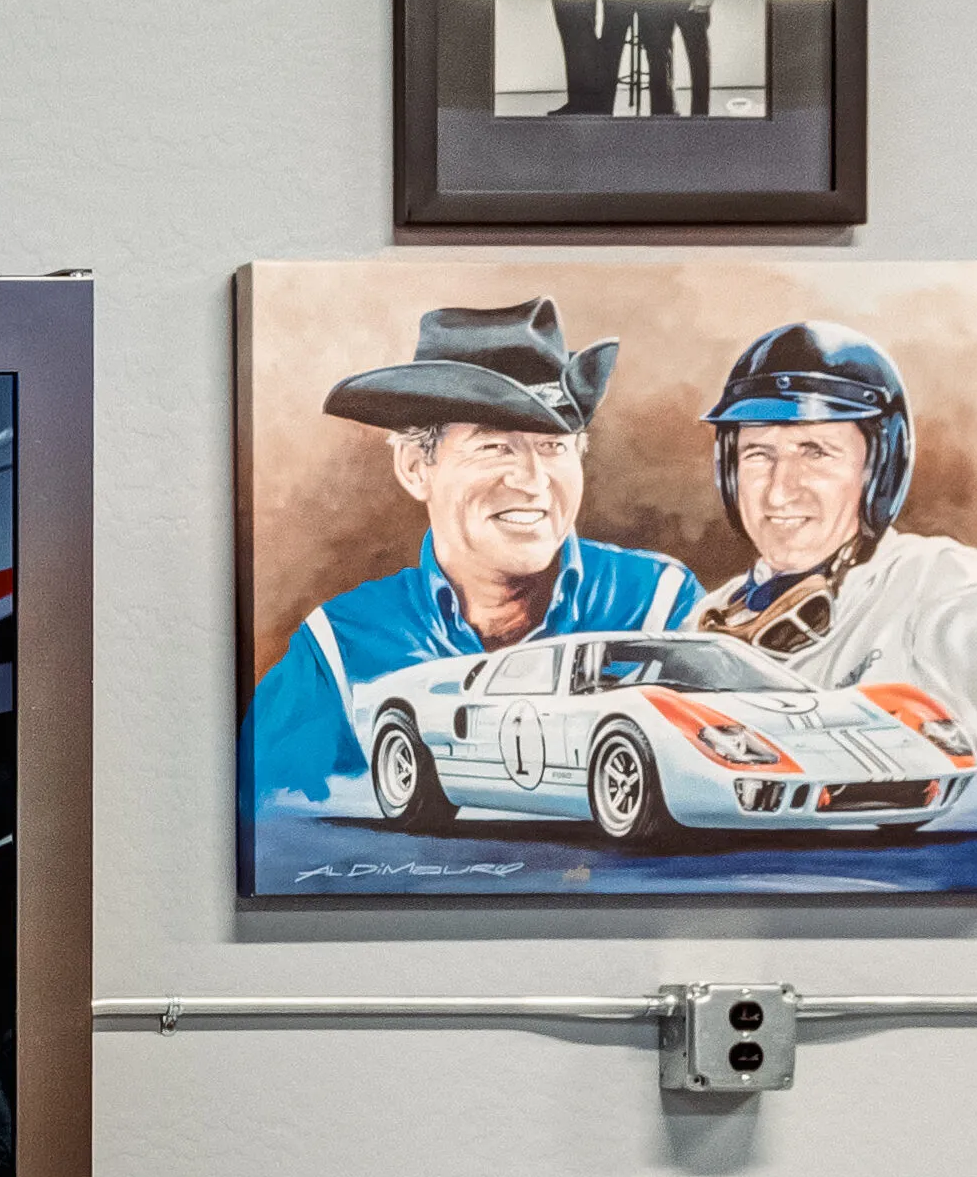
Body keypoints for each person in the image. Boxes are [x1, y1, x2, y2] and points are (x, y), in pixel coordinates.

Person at [244, 297, 697, 824]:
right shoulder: (343, 645)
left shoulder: (657, 604)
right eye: (494, 447)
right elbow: (265, 826)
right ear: (416, 468)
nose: (531, 481)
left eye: (553, 446)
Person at [687, 319, 977, 771]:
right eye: (758, 455)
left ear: (877, 470)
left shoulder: (948, 591)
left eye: (815, 451)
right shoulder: (708, 620)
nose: (778, 492)